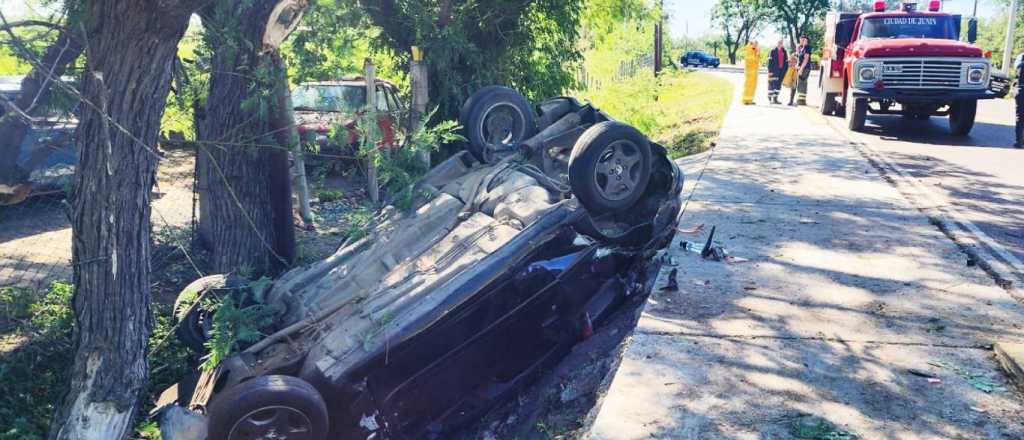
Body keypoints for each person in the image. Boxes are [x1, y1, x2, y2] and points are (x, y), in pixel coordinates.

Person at [791, 35, 812, 106]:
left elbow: (806, 59)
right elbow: (798, 57)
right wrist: (797, 49)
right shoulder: (801, 48)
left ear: (806, 41)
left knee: (802, 84)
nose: (802, 41)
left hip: (805, 68)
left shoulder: (807, 47)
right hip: (800, 68)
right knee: (800, 84)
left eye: (804, 40)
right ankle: (800, 100)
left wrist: (801, 69)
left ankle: (801, 101)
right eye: (801, 40)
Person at [767, 40, 788, 105]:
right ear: (777, 43)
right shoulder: (773, 51)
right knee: (772, 84)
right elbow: (770, 61)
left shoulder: (784, 51)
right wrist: (770, 71)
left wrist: (785, 70)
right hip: (774, 70)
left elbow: (786, 61)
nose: (780, 44)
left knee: (778, 85)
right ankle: (770, 98)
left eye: (781, 43)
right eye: (779, 43)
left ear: (782, 44)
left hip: (781, 71)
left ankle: (775, 99)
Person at [1016, 52, 1024, 148]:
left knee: (1020, 117)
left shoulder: (1020, 65)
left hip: (1021, 91)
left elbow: (1017, 77)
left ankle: (1019, 141)